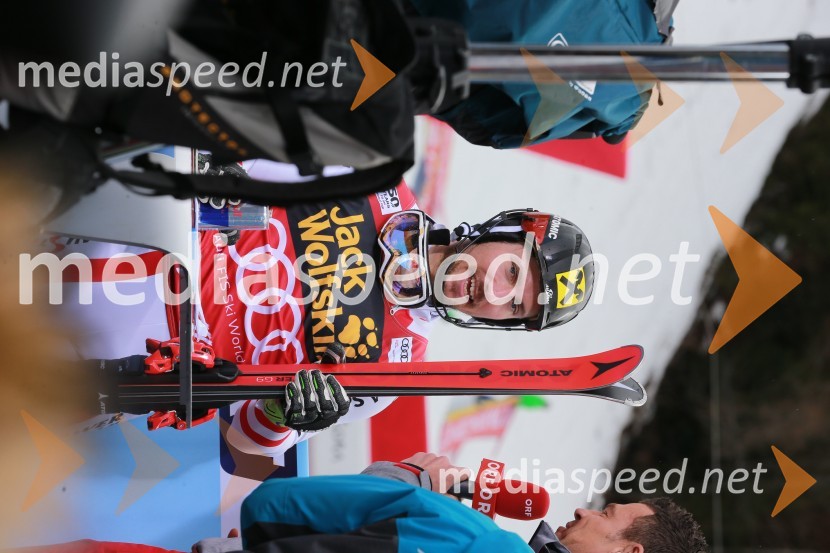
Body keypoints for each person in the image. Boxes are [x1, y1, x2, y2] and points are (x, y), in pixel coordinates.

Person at [53, 158, 596, 458]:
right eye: (510, 271)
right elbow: (231, 157)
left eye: (512, 306)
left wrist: (279, 417)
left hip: (121, 356)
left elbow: (241, 440)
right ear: (502, 231)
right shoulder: (377, 183)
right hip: (114, 238)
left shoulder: (394, 369)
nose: (493, 294)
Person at [234, 452, 709, 553]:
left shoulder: (475, 537)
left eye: (606, 515)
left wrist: (412, 480)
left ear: (631, 552)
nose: (584, 511)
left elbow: (274, 505)